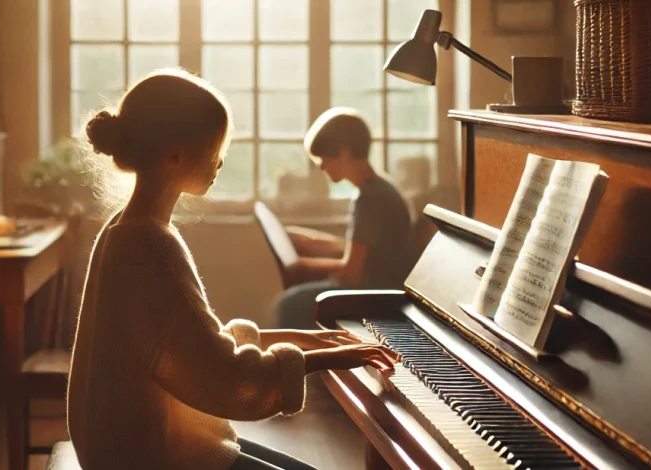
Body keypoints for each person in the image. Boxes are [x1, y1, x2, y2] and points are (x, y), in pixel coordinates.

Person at [66, 69, 398, 470]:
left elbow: (189, 346)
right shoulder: (149, 245)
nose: (221, 161)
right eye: (215, 148)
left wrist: (309, 338)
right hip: (143, 456)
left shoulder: (126, 228)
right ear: (175, 156)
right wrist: (333, 358)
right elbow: (222, 377)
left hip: (129, 445)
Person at [275, 108, 414, 329]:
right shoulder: (380, 188)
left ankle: (298, 363)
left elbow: (351, 273)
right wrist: (309, 243)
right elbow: (359, 250)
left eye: (324, 158)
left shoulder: (370, 198)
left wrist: (304, 267)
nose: (320, 166)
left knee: (290, 303)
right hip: (384, 287)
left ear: (344, 153)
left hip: (378, 295)